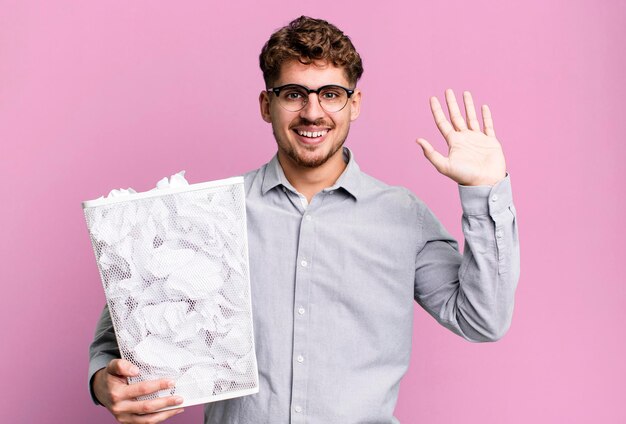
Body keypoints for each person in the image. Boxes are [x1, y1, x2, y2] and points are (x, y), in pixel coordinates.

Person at [89, 15, 520, 424]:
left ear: (354, 104)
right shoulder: (204, 215)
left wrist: (485, 191)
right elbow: (121, 332)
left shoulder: (403, 217)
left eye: (330, 94)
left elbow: (482, 318)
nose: (313, 112)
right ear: (266, 104)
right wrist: (102, 383)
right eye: (294, 93)